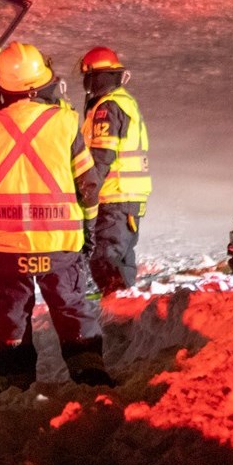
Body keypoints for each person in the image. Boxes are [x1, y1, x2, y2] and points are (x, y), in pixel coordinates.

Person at [0, 42, 115, 390]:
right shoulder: (66, 123)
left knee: (11, 317)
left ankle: (15, 386)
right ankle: (91, 380)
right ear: (42, 83)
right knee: (72, 309)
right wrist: (87, 228)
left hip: (6, 250)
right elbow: (88, 185)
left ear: (4, 87)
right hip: (60, 246)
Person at [78, 46, 152, 297]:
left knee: (105, 259)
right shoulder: (123, 102)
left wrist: (87, 193)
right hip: (127, 197)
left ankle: (118, 315)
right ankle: (126, 315)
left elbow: (101, 156)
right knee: (120, 260)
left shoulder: (106, 109)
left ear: (95, 76)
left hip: (115, 197)